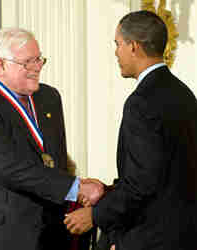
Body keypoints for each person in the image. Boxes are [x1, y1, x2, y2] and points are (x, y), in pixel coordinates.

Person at [0, 27, 104, 250]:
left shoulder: (49, 97)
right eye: (28, 62)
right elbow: (10, 167)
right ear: (0, 65)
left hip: (47, 232)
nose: (37, 67)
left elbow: (55, 160)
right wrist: (75, 187)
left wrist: (76, 191)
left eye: (39, 59)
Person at [64, 10, 197, 250]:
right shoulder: (184, 94)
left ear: (134, 46)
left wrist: (94, 215)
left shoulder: (141, 102)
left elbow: (142, 184)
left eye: (118, 44)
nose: (116, 52)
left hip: (150, 237)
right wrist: (108, 191)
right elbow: (166, 172)